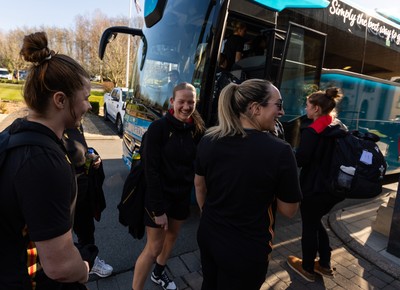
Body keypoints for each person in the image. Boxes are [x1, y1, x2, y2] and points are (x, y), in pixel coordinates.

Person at [0, 31, 94, 289]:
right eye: (85, 98)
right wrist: (84, 270)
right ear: (60, 100)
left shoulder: (15, 133)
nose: (89, 106)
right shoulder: (42, 163)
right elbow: (60, 267)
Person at [194, 79, 302, 290]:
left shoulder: (209, 139)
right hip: (246, 249)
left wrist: (208, 216)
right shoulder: (280, 151)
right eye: (278, 105)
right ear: (255, 108)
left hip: (208, 234)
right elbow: (289, 210)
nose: (281, 112)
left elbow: (199, 186)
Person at [132, 82, 205, 290]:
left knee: (172, 237)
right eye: (181, 101)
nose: (186, 106)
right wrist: (158, 209)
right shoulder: (158, 129)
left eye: (191, 102)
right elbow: (150, 171)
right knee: (154, 248)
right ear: (172, 101)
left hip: (181, 196)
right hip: (159, 197)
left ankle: (158, 273)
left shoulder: (196, 129)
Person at [287, 87, 346, 282]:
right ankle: (325, 264)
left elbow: (302, 159)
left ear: (317, 109)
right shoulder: (337, 126)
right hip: (333, 187)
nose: (306, 108)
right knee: (316, 221)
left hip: (314, 187)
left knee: (310, 226)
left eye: (308, 105)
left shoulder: (313, 132)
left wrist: (287, 154)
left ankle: (307, 268)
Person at [63, 125, 113, 278]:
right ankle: (79, 266)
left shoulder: (75, 125)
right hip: (66, 195)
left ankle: (89, 261)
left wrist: (93, 157)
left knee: (86, 230)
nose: (89, 105)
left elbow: (81, 149)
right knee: (62, 239)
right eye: (84, 99)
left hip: (82, 193)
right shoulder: (53, 128)